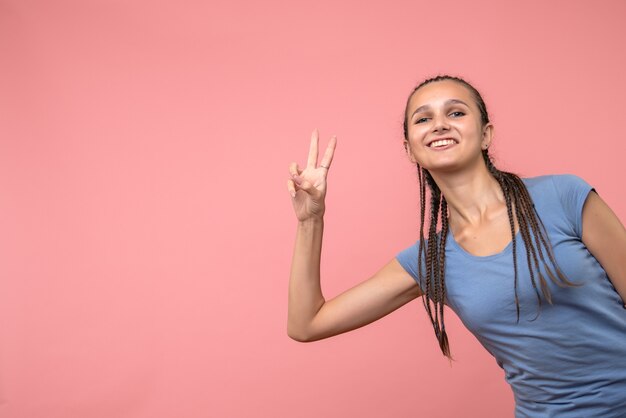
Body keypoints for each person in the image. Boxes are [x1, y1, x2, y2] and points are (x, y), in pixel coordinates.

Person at [285, 75, 626, 417]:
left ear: (486, 135)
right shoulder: (430, 261)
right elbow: (307, 324)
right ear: (409, 149)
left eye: (456, 113)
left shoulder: (563, 196)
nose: (439, 125)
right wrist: (310, 220)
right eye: (423, 119)